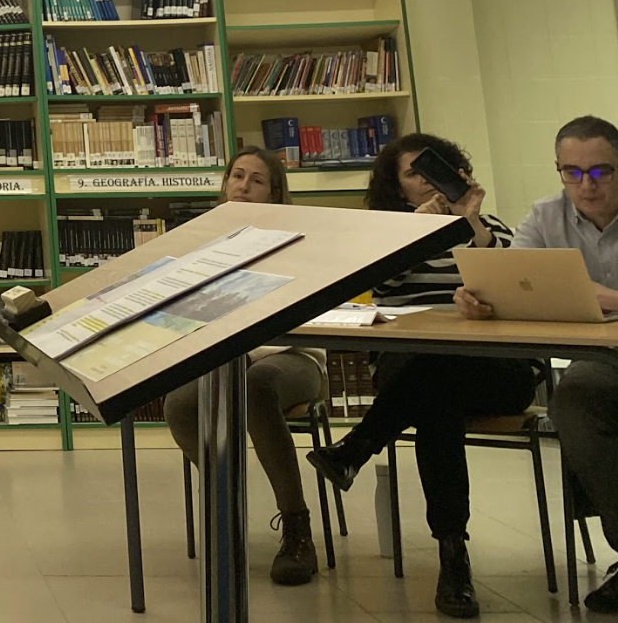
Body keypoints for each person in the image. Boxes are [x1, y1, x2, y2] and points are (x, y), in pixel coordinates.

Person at [306, 132, 536, 619]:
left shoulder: (490, 225)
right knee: (435, 390)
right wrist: (419, 233)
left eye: (434, 170)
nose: (426, 181)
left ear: (457, 174)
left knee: (435, 380)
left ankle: (356, 448)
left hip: (494, 367)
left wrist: (469, 222)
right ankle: (453, 555)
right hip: (411, 361)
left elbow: (514, 282)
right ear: (397, 188)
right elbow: (379, 282)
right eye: (413, 173)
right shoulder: (391, 233)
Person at [456, 115, 618, 615]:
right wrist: (481, 299)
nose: (586, 185)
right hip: (605, 360)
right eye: (571, 173)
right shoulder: (546, 216)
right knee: (571, 398)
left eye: (600, 172)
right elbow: (514, 278)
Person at [163, 147, 326, 585]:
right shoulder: (206, 243)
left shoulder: (298, 240)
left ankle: (297, 526)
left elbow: (304, 317)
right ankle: (226, 509)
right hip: (227, 360)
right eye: (237, 176)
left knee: (255, 386)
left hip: (293, 357)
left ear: (274, 192)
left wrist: (251, 351)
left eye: (256, 180)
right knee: (179, 403)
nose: (243, 186)